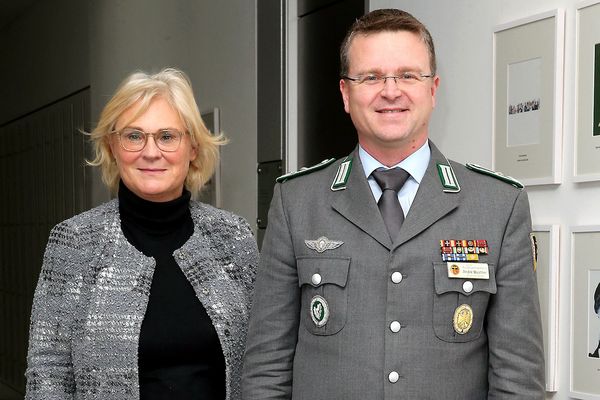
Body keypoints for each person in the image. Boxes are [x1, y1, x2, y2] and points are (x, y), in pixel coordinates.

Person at [242, 9, 544, 399]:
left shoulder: (498, 206)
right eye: (370, 77)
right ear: (345, 94)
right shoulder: (296, 202)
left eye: (407, 75)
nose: (390, 90)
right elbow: (267, 367)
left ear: (433, 90)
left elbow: (518, 378)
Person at [25, 68, 259, 400]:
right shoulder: (75, 242)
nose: (151, 152)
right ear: (112, 145)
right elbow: (47, 372)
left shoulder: (233, 238)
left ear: (192, 147)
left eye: (167, 136)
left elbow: (264, 358)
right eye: (134, 136)